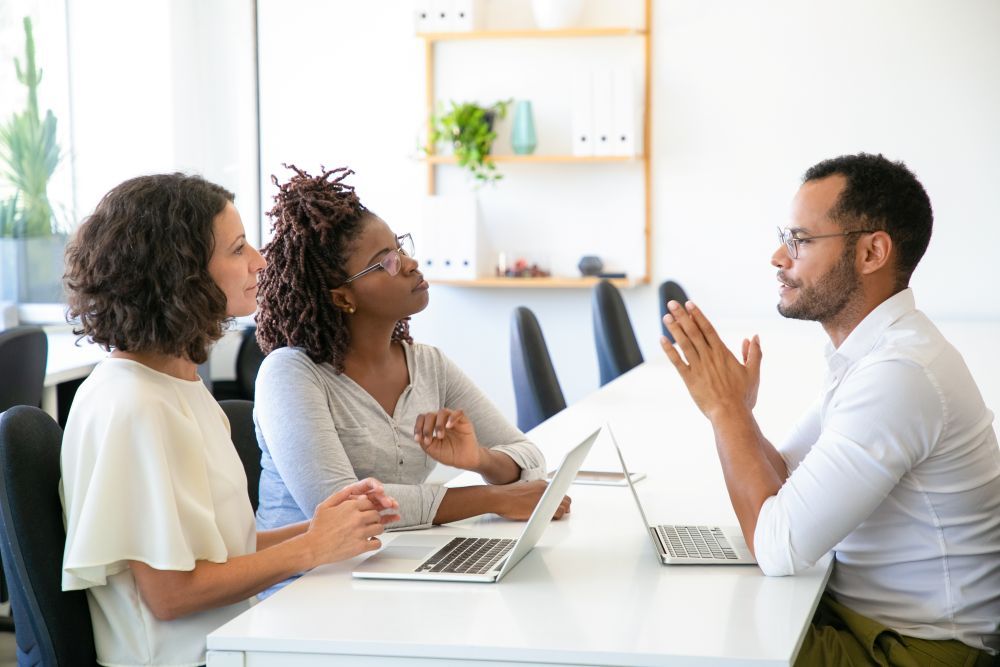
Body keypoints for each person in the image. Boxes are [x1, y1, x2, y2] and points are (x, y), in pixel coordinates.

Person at [660, 153, 1000, 665]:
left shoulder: (899, 373)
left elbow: (776, 548)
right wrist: (739, 414)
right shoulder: (875, 353)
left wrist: (726, 411)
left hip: (914, 650)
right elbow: (787, 481)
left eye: (800, 240)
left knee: (684, 632)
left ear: (871, 252)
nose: (778, 256)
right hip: (864, 622)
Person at [60, 173, 400, 667]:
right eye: (238, 249)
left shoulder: (178, 384)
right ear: (179, 272)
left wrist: (327, 529)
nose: (259, 261)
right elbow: (171, 594)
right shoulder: (132, 406)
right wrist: (311, 549)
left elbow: (218, 551)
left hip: (234, 641)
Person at [252, 165, 569, 559]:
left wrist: (480, 459)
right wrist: (490, 498)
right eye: (385, 262)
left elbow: (529, 458)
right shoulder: (290, 375)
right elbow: (343, 506)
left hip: (396, 565)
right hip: (305, 587)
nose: (410, 264)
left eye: (401, 248)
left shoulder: (428, 366)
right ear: (342, 298)